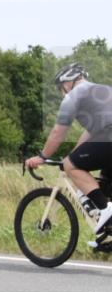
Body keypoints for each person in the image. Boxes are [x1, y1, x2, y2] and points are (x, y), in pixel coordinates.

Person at [25, 63, 112, 247]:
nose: (61, 91)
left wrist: (42, 156)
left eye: (60, 87)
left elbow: (58, 132)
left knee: (72, 166)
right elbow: (90, 133)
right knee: (105, 182)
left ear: (68, 81)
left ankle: (105, 211)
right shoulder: (102, 90)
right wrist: (72, 156)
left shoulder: (73, 96)